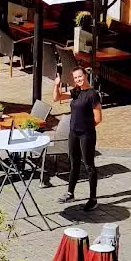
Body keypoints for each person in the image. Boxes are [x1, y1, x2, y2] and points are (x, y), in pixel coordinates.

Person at [53, 66, 102, 211]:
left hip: (86, 134)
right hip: (73, 133)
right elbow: (57, 98)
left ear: (85, 76)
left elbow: (98, 118)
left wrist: (86, 127)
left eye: (80, 76)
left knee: (89, 166)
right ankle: (70, 193)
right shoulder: (76, 91)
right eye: (75, 78)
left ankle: (93, 198)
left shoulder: (92, 94)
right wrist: (56, 85)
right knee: (73, 163)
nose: (78, 80)